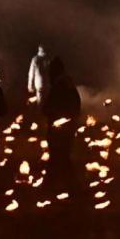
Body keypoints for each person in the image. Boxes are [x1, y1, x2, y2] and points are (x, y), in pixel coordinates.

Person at [42, 57, 82, 186]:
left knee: (59, 158)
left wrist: (54, 116)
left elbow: (50, 107)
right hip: (66, 130)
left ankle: (56, 185)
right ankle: (58, 184)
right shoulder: (69, 86)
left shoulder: (60, 87)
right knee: (61, 158)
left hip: (59, 131)